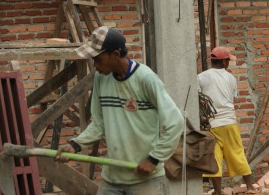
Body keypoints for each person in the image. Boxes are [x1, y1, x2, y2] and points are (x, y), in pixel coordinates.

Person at [55, 26, 184, 195]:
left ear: (115, 54)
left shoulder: (146, 79)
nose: (95, 65)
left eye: (98, 59)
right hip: (112, 179)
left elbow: (175, 122)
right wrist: (75, 145)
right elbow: (99, 123)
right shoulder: (101, 78)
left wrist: (154, 158)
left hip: (145, 179)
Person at [198, 47, 257, 195]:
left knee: (213, 157)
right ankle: (249, 187)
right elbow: (231, 98)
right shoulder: (230, 78)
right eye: (228, 61)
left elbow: (198, 99)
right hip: (228, 122)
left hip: (210, 125)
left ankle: (218, 191)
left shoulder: (201, 77)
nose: (229, 63)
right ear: (224, 61)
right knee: (237, 153)